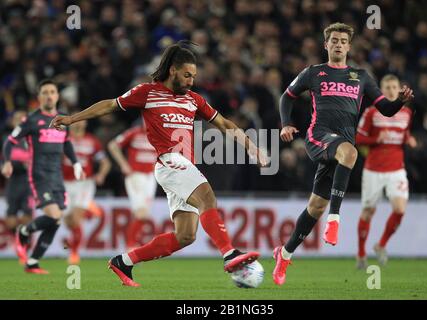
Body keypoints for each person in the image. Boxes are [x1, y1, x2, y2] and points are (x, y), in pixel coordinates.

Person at [50, 41, 268, 287]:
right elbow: (110, 105)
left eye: (194, 76)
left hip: (184, 167)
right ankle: (230, 254)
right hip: (169, 161)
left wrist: (251, 145)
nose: (191, 81)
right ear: (172, 70)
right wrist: (71, 118)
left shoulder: (194, 100)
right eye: (187, 75)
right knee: (207, 197)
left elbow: (225, 123)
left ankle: (124, 261)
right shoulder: (147, 92)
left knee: (185, 236)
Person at [273, 22, 414, 285]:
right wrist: (286, 124)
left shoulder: (361, 77)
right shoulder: (313, 73)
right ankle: (335, 220)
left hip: (340, 147)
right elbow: (286, 97)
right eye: (333, 40)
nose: (338, 44)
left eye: (342, 41)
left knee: (315, 206)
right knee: (350, 154)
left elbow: (386, 109)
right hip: (319, 136)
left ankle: (284, 253)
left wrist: (400, 102)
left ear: (349, 46)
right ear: (326, 45)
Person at [2, 79, 85, 274]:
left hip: (57, 177)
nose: (49, 95)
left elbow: (67, 144)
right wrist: (7, 161)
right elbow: (10, 141)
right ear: (39, 97)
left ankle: (32, 262)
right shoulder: (31, 120)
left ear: (57, 96)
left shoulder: (63, 120)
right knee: (54, 215)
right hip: (39, 175)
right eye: (45, 92)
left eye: (52, 92)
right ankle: (23, 231)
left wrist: (76, 163)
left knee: (55, 220)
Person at [356, 74, 416, 269]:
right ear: (381, 90)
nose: (391, 90)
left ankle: (381, 245)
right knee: (368, 211)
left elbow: (403, 134)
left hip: (396, 169)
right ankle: (361, 253)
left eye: (394, 87)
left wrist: (409, 139)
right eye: (387, 87)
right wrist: (376, 140)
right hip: (373, 169)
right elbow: (358, 138)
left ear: (399, 89)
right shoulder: (372, 113)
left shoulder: (407, 113)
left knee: (400, 209)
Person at [63, 120, 111, 265]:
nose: (78, 124)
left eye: (81, 121)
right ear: (70, 123)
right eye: (75, 120)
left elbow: (105, 162)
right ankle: (90, 208)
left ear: (85, 123)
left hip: (84, 183)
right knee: (68, 221)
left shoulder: (92, 141)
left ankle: (74, 253)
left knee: (76, 219)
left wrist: (101, 174)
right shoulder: (63, 141)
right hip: (64, 184)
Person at [108, 121, 158, 250]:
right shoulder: (134, 133)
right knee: (141, 213)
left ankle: (131, 244)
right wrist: (123, 164)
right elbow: (113, 145)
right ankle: (130, 246)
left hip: (150, 177)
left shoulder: (158, 134)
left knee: (143, 214)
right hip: (135, 176)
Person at [1, 111, 34, 247]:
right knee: (10, 221)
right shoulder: (6, 140)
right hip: (13, 183)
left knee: (27, 218)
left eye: (23, 118)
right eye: (17, 119)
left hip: (29, 184)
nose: (20, 121)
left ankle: (24, 245)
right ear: (13, 122)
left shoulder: (33, 139)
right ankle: (20, 239)